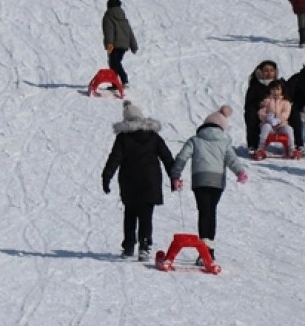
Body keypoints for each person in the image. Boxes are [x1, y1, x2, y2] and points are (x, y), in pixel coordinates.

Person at [168, 106, 247, 266]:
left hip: (200, 180)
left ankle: (205, 252)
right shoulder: (224, 142)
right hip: (217, 182)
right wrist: (240, 172)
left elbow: (182, 157)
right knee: (211, 212)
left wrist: (176, 175)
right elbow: (232, 159)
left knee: (204, 212)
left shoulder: (195, 140)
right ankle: (209, 251)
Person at [102, 100, 174, 261]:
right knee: (146, 215)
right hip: (151, 181)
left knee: (130, 214)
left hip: (129, 181)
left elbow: (115, 158)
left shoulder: (123, 138)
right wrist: (174, 176)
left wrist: (106, 176)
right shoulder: (154, 137)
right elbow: (167, 157)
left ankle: (128, 247)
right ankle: (145, 246)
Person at [242, 60, 279, 153]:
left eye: (271, 70)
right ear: (261, 72)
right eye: (266, 70)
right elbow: (249, 103)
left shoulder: (279, 85)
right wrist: (260, 105)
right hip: (260, 113)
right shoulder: (255, 86)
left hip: (276, 112)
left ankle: (294, 145)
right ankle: (253, 144)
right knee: (250, 114)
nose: (269, 73)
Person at [102, 0, 138, 90]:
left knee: (115, 63)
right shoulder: (123, 18)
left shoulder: (108, 16)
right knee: (114, 63)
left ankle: (124, 80)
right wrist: (133, 45)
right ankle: (115, 84)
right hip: (124, 45)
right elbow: (129, 31)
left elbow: (109, 30)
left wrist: (109, 43)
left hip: (114, 44)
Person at [256, 79, 294, 157]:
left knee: (289, 129)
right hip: (270, 126)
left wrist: (279, 119)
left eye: (278, 89)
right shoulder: (266, 101)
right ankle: (261, 147)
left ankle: (291, 148)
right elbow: (261, 112)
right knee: (266, 127)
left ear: (281, 90)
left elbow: (286, 113)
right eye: (273, 89)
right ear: (270, 90)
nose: (275, 92)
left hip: (281, 126)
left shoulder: (286, 102)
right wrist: (267, 117)